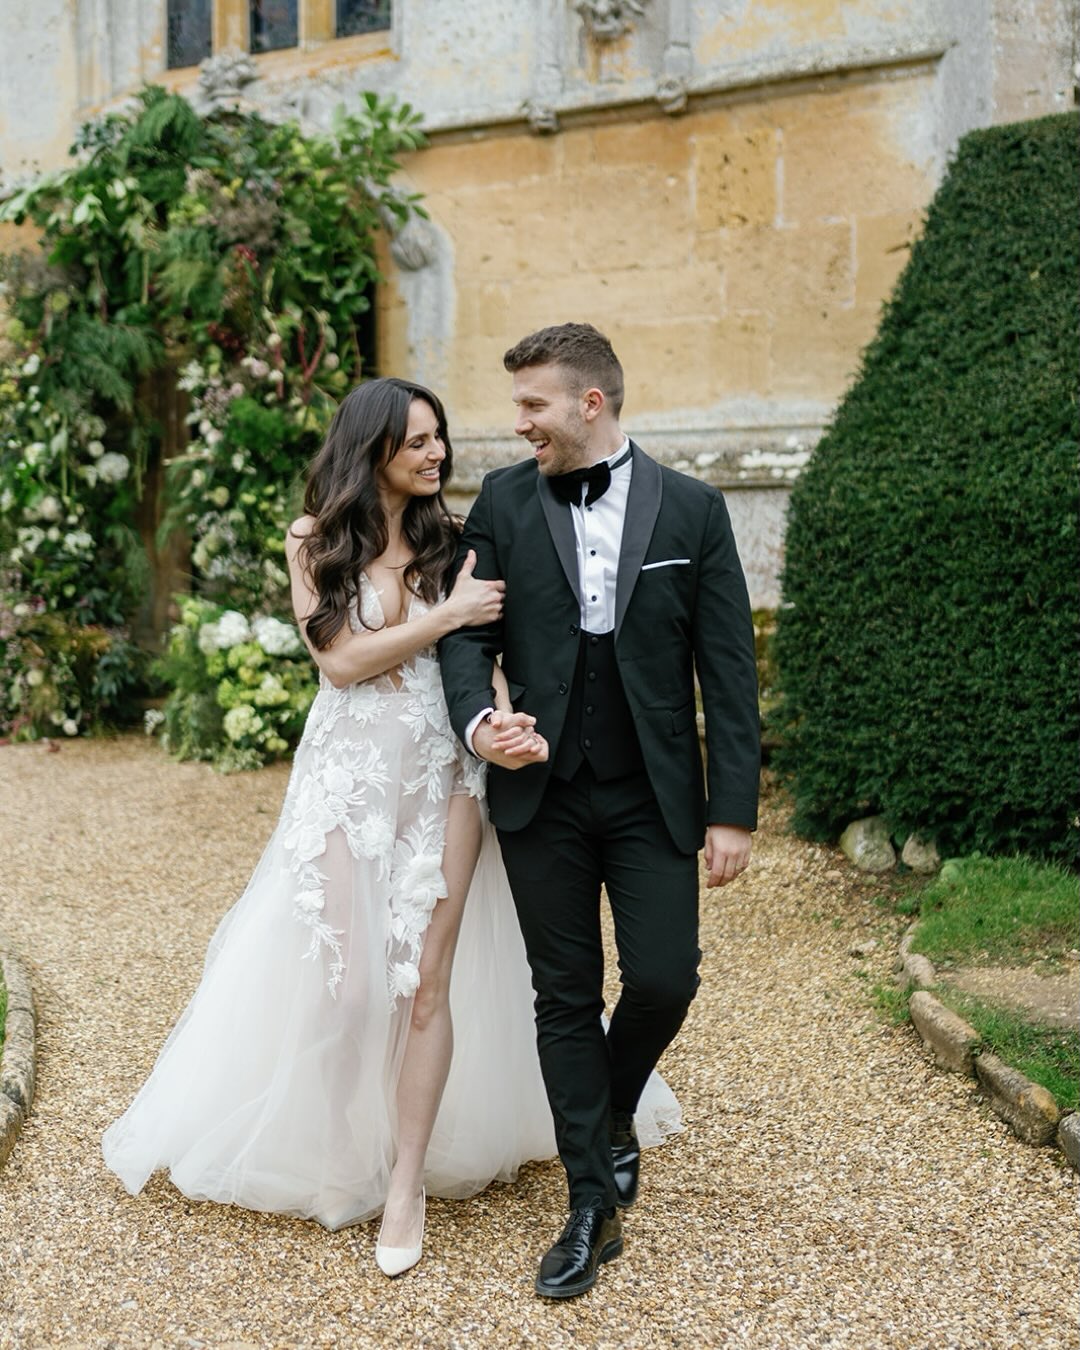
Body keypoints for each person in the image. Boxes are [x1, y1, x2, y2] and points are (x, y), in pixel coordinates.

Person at [102, 377, 681, 1279]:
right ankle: (342, 1147)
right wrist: (446, 614)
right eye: (417, 440)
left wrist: (501, 726)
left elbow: (479, 663)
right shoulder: (314, 541)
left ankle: (404, 1182)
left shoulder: (456, 541)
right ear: (371, 445)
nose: (435, 453)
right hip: (349, 777)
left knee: (425, 983)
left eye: (438, 438)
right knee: (347, 989)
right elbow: (339, 663)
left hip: (447, 774)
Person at [439, 324, 760, 1299]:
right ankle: (590, 1204)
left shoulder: (695, 510)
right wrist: (478, 721)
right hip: (540, 794)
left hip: (651, 790)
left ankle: (610, 1112)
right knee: (564, 996)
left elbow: (729, 668)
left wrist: (733, 808)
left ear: (591, 403)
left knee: (666, 976)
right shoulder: (499, 501)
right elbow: (464, 631)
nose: (518, 423)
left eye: (533, 405)